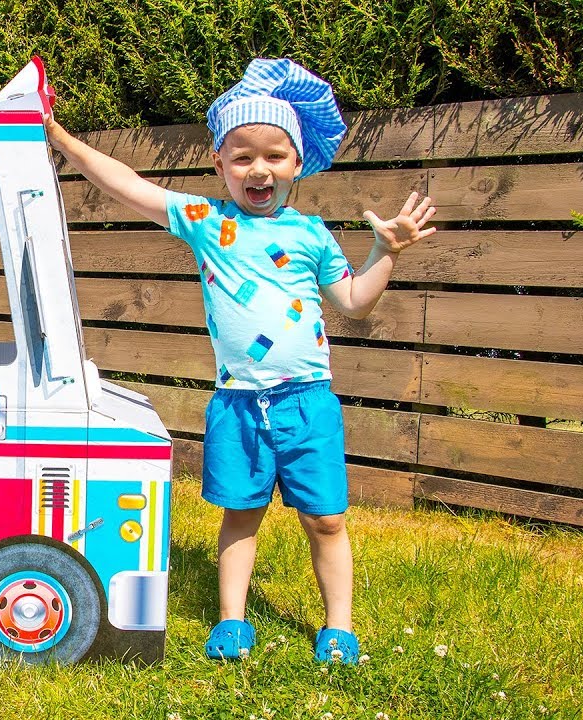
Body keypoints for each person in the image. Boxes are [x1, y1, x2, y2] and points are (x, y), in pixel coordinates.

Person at [46, 58, 436, 663]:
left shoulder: (311, 235)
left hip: (307, 404)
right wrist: (60, 136)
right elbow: (127, 183)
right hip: (236, 403)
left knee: (327, 521)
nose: (259, 169)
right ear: (221, 166)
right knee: (240, 515)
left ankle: (339, 627)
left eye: (275, 155)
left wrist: (385, 251)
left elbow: (356, 302)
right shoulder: (207, 222)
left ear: (297, 163)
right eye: (242, 155)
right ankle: (232, 621)